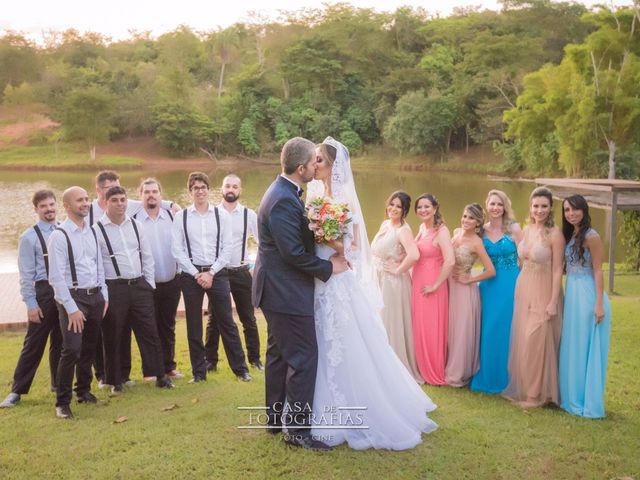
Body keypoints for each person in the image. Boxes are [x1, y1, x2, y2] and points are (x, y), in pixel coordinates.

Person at [308, 137, 438, 450]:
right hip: (318, 277)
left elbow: (353, 246)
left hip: (338, 278)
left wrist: (330, 241)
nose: (314, 164)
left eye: (319, 160)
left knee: (344, 341)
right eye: (313, 159)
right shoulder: (311, 195)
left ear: (333, 166)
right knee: (318, 340)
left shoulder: (345, 199)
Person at [252, 137, 348, 451]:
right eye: (312, 162)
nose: (315, 166)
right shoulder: (282, 199)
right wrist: (328, 267)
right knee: (304, 358)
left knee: (279, 355)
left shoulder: (286, 192)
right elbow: (292, 253)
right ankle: (298, 431)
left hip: (277, 291)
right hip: (285, 293)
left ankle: (274, 418)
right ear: (300, 167)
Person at [89, 170, 179, 388]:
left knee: (150, 332)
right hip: (115, 287)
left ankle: (160, 376)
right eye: (114, 200)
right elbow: (97, 265)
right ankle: (115, 379)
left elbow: (146, 256)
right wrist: (105, 293)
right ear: (106, 201)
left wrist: (148, 283)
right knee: (115, 334)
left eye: (122, 200)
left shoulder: (136, 225)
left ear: (127, 202)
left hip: (139, 285)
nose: (119, 204)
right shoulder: (97, 230)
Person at [172, 172, 251, 383]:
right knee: (194, 325)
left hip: (217, 272)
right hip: (191, 275)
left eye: (203, 187)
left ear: (209, 190)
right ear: (190, 192)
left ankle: (241, 370)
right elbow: (177, 250)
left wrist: (211, 272)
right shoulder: (182, 217)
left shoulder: (220, 215)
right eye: (195, 188)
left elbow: (228, 248)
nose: (200, 191)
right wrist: (196, 273)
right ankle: (199, 373)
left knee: (227, 321)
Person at [47, 187, 107, 419]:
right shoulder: (59, 236)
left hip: (95, 297)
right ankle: (62, 402)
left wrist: (104, 296)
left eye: (86, 199)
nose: (85, 203)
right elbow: (56, 277)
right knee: (71, 349)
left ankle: (83, 391)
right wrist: (71, 309)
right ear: (67, 205)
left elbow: (99, 265)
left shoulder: (92, 232)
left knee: (90, 348)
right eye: (79, 200)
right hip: (73, 298)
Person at [503, 186, 565, 409]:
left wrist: (552, 301)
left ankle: (536, 396)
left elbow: (558, 269)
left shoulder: (555, 234)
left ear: (551, 208)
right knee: (522, 338)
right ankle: (526, 389)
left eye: (544, 206)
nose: (539, 210)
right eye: (536, 206)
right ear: (530, 207)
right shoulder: (527, 230)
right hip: (524, 286)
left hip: (544, 289)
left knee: (535, 339)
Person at [0, 190, 62, 408]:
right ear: (36, 209)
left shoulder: (64, 230)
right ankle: (17, 390)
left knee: (61, 341)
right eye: (43, 206)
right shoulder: (28, 237)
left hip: (64, 291)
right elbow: (26, 275)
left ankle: (58, 385)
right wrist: (31, 304)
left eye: (52, 204)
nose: (49, 209)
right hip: (43, 293)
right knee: (34, 343)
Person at [559, 194, 611, 418]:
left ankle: (585, 400)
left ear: (584, 209)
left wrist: (599, 304)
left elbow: (598, 270)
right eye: (567, 210)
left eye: (575, 209)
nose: (571, 214)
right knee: (574, 345)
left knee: (584, 345)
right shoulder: (573, 233)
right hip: (573, 293)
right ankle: (572, 396)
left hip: (587, 295)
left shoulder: (592, 236)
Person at [205, 174, 262, 372]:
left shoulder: (249, 214)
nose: (231, 189)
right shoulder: (211, 214)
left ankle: (255, 359)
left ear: (240, 190)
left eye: (235, 186)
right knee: (214, 319)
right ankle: (210, 362)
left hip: (241, 272)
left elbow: (263, 243)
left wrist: (257, 268)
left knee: (248, 318)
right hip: (218, 273)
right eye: (227, 186)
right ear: (221, 188)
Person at [470, 190, 522, 394]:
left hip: (510, 283)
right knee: (488, 328)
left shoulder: (514, 229)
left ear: (505, 206)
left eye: (499, 204)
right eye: (492, 204)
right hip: (488, 286)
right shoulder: (480, 231)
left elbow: (525, 259)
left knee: (507, 328)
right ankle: (487, 375)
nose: (495, 208)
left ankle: (507, 378)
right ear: (486, 205)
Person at [134, 178, 183, 379]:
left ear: (161, 195)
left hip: (172, 281)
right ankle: (151, 371)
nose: (151, 195)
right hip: (147, 284)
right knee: (148, 327)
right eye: (146, 192)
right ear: (141, 196)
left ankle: (168, 366)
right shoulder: (134, 219)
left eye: (155, 191)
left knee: (168, 325)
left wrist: (170, 204)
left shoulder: (172, 217)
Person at [371, 192, 422, 383]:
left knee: (389, 322)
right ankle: (378, 362)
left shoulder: (403, 230)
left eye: (398, 206)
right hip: (379, 278)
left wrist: (398, 270)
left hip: (392, 284)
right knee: (378, 320)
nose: (393, 208)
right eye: (391, 204)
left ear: (405, 210)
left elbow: (414, 255)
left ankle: (394, 366)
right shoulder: (386, 224)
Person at [445, 203, 495, 387]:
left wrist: (471, 279)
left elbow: (491, 270)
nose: (466, 220)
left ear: (478, 222)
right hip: (450, 285)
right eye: (465, 216)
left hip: (464, 290)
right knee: (450, 328)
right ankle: (445, 364)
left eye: (471, 218)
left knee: (460, 331)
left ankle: (457, 373)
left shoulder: (476, 242)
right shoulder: (456, 232)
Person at [412, 194, 455, 386]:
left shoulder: (441, 231)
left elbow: (450, 261)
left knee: (432, 327)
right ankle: (421, 366)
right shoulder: (422, 228)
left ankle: (434, 370)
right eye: (419, 207)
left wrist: (436, 285)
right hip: (418, 281)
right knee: (420, 325)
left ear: (435, 208)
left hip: (433, 284)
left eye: (427, 206)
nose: (423, 210)